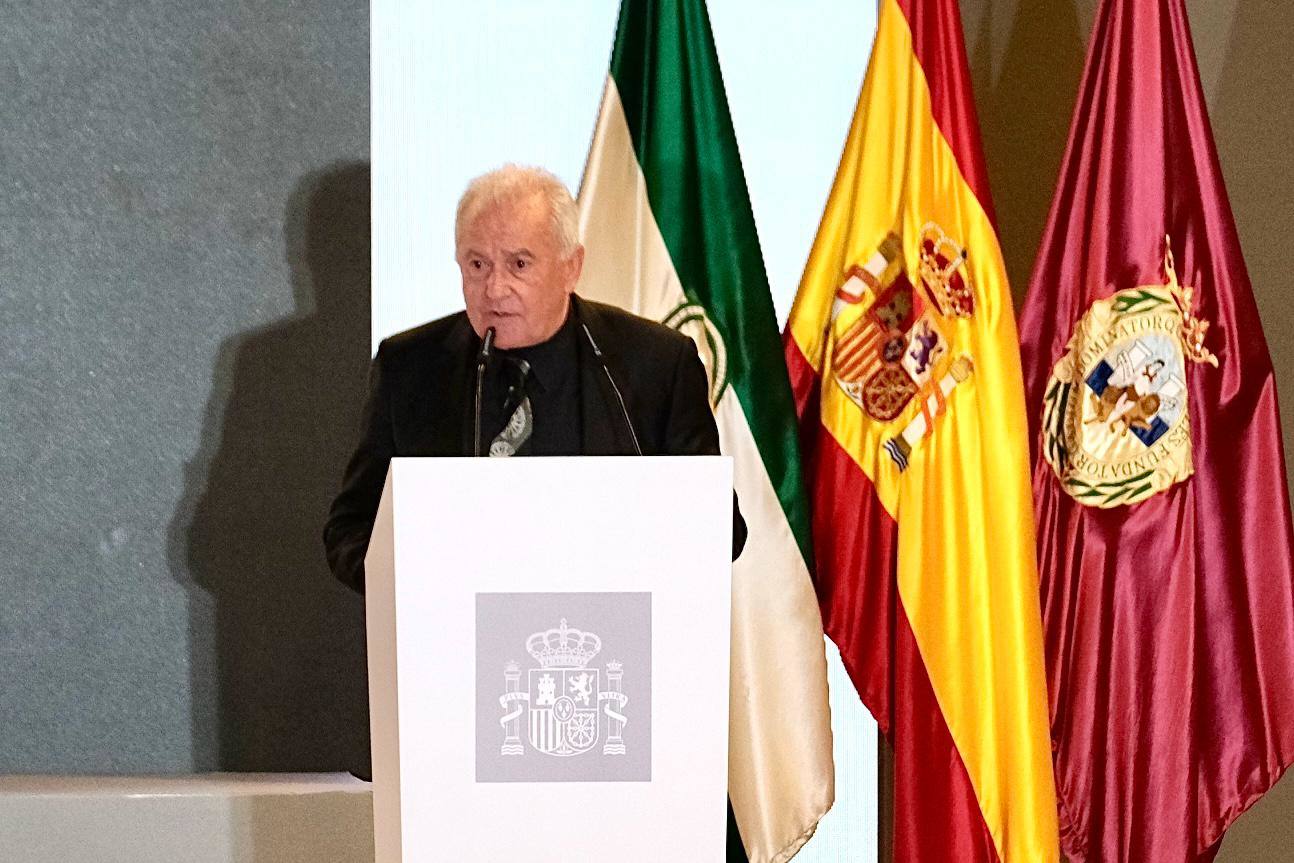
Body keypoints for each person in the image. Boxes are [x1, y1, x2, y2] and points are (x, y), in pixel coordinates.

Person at [324, 165, 746, 592]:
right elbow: (352, 529)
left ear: (571, 267)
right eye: (477, 264)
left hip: (614, 637)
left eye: (519, 264)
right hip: (451, 643)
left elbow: (721, 531)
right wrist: (417, 586)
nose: (494, 288)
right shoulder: (410, 367)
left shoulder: (654, 364)